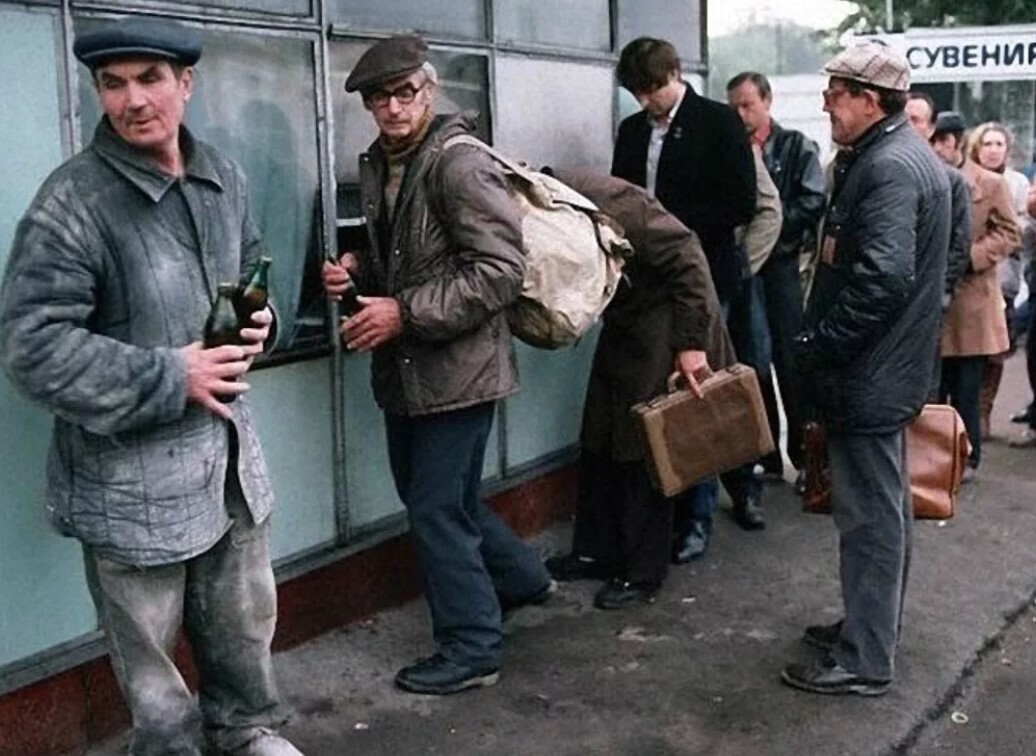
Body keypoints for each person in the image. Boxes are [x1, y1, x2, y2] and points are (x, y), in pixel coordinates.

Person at [0, 18, 301, 756]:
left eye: (149, 78)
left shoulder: (222, 177)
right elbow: (30, 347)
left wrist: (265, 321)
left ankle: (246, 732)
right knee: (155, 679)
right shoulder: (74, 202)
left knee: (243, 631)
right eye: (113, 83)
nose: (133, 99)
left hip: (229, 469)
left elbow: (254, 270)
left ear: (185, 83)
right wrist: (172, 374)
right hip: (130, 487)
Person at [322, 35, 553, 695]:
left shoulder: (459, 163)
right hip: (409, 370)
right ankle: (523, 580)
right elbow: (408, 252)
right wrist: (357, 268)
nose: (393, 108)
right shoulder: (382, 162)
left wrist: (404, 312)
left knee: (434, 509)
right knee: (443, 500)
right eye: (380, 99)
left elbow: (500, 271)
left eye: (405, 93)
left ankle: (473, 647)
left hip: (459, 370)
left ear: (430, 90)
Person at [782, 40, 951, 696]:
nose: (826, 104)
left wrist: (821, 344)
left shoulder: (888, 166)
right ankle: (867, 628)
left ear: (870, 100)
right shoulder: (893, 156)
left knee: (871, 522)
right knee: (882, 514)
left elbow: (882, 279)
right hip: (883, 371)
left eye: (835, 94)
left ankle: (865, 658)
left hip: (868, 376)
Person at [543, 169, 735, 609]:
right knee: (599, 433)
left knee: (643, 445)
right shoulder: (543, 212)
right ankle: (594, 550)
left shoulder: (611, 201)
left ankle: (642, 571)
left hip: (663, 321)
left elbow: (688, 255)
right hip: (626, 318)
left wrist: (691, 344)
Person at [610, 37, 765, 550]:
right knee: (685, 391)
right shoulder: (633, 131)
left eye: (652, 89)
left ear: (675, 74)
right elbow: (621, 197)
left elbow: (742, 202)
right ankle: (695, 505)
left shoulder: (718, 122)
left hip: (707, 274)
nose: (646, 101)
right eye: (638, 93)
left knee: (710, 386)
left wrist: (673, 231)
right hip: (653, 283)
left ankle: (727, 498)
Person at [726, 71, 826, 493]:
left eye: (747, 105)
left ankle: (805, 458)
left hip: (781, 265)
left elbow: (813, 200)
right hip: (749, 267)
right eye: (734, 106)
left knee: (791, 361)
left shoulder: (796, 146)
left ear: (767, 101)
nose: (741, 114)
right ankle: (765, 457)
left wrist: (773, 235)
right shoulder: (732, 147)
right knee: (754, 360)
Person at [930, 112, 1020, 477]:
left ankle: (968, 457)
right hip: (934, 300)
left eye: (939, 141)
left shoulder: (988, 183)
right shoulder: (927, 179)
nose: (934, 148)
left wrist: (972, 257)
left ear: (952, 142)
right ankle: (935, 461)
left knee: (966, 389)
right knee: (934, 390)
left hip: (971, 303)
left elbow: (1009, 232)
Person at [904, 92, 973, 396]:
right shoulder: (878, 170)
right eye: (903, 118)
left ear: (930, 128)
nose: (908, 125)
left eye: (915, 119)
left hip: (927, 299)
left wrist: (941, 289)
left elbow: (960, 240)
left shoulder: (950, 180)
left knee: (925, 388)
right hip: (886, 299)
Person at [967, 122, 1032, 441]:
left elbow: (1022, 225)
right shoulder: (965, 178)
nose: (993, 150)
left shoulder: (1017, 182)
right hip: (967, 278)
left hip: (1004, 278)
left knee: (996, 351)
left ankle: (983, 411)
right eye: (987, 143)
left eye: (999, 144)